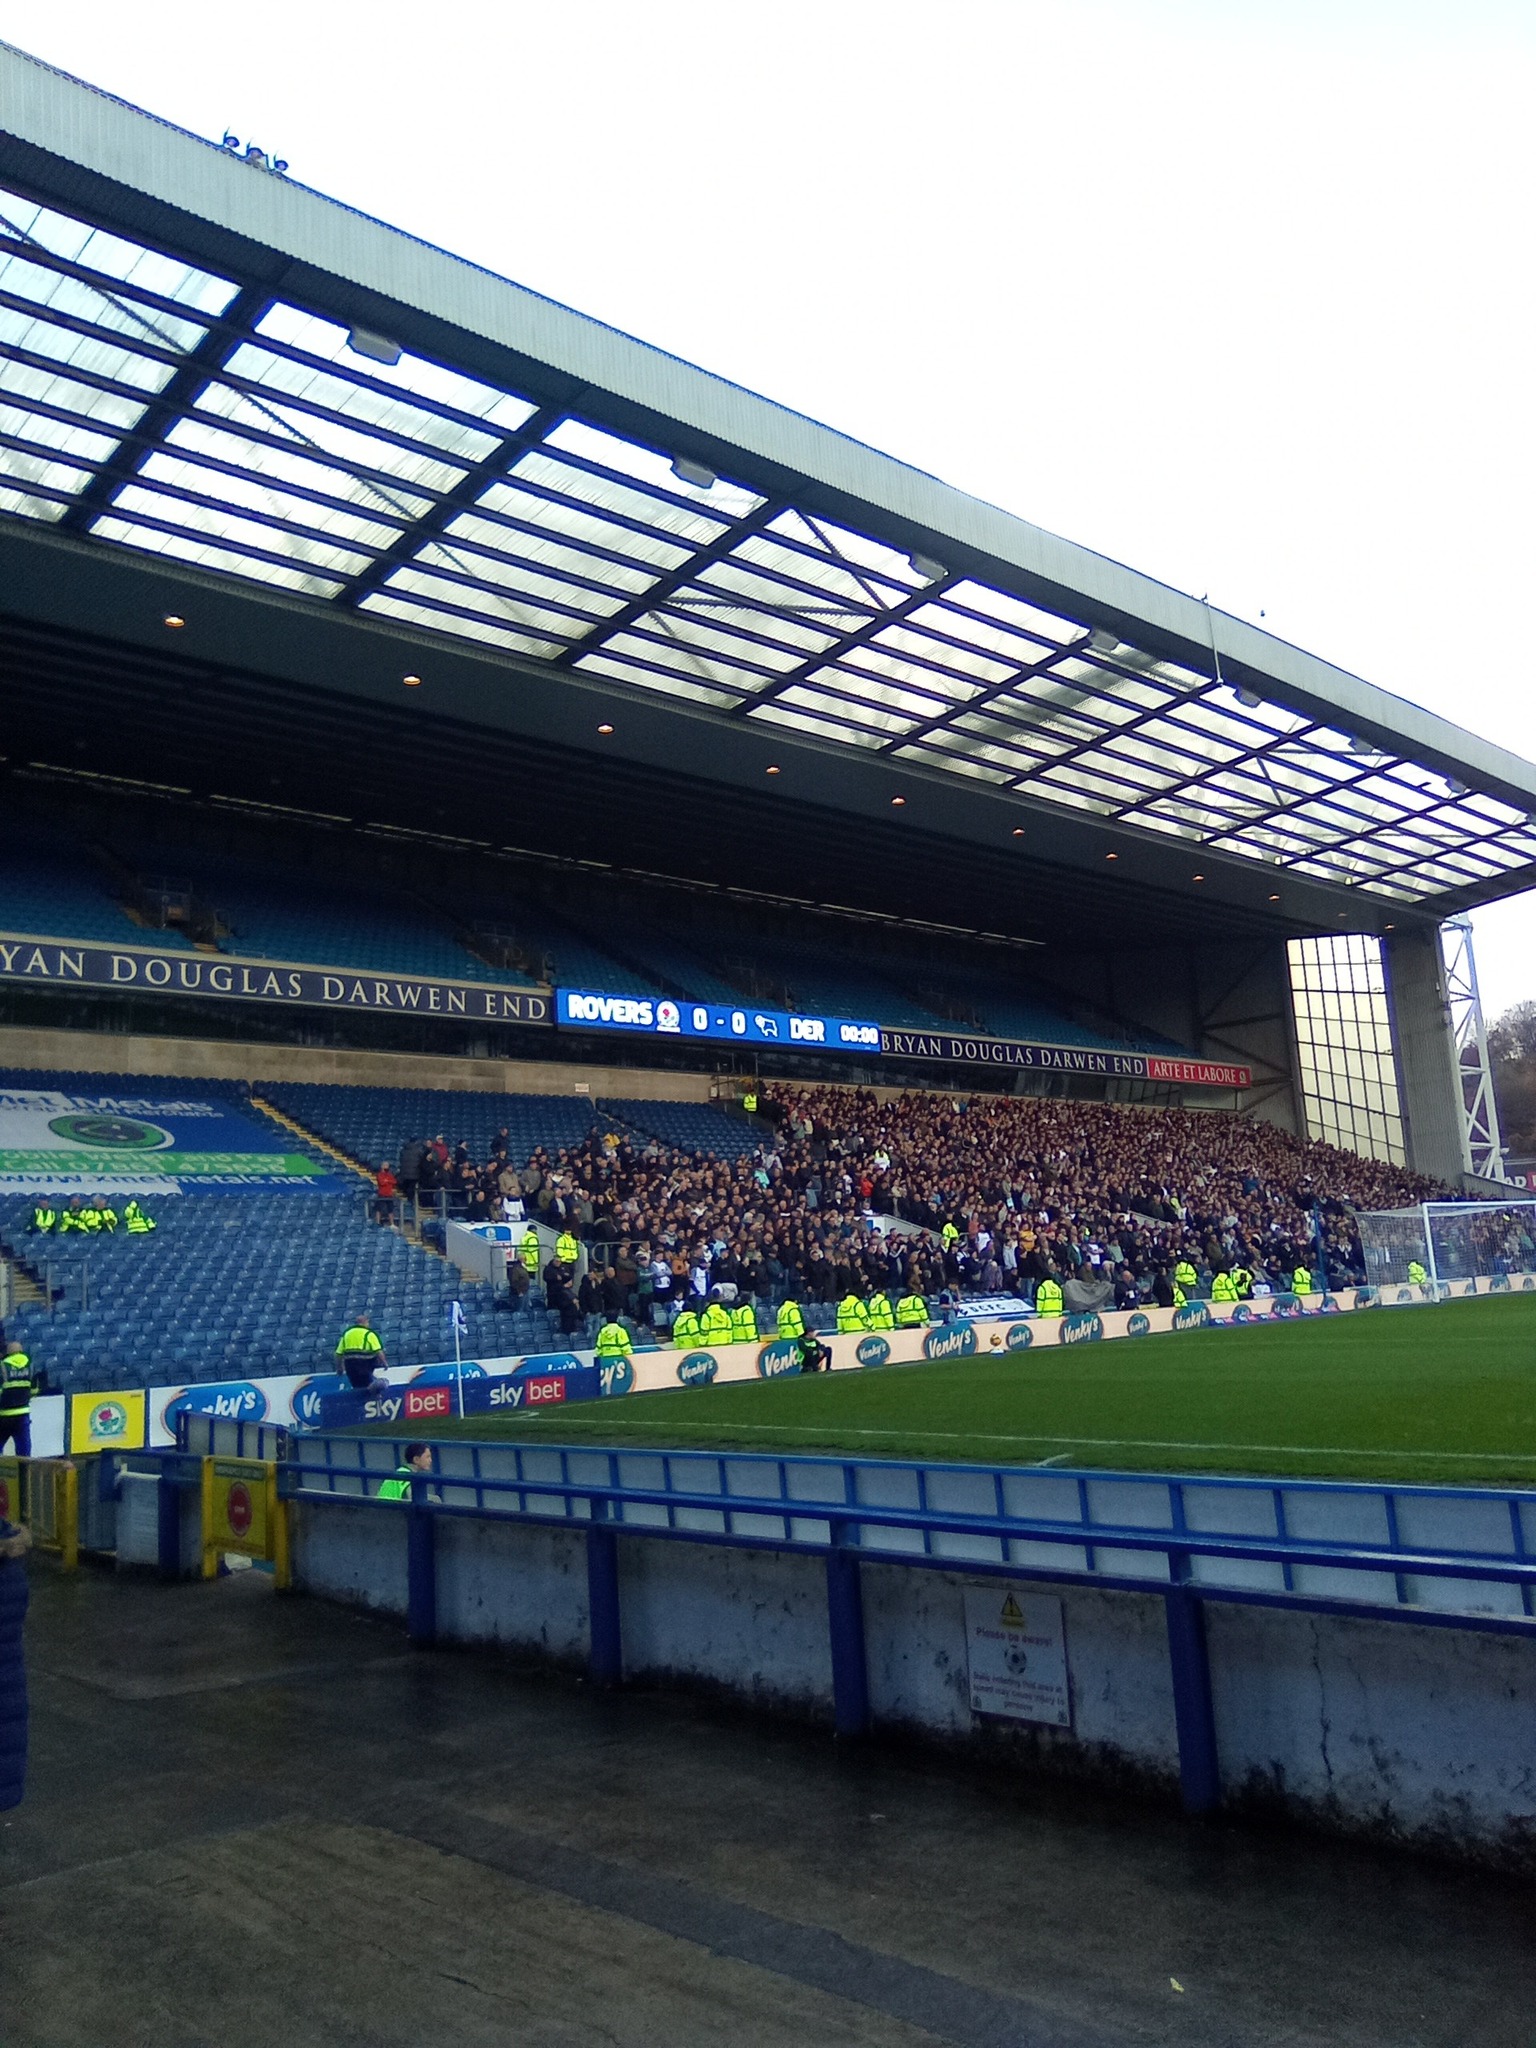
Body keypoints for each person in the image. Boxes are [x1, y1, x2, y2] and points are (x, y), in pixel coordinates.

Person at [0, 1340, 39, 1457]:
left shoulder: (3, 1366)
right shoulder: (31, 1366)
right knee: (24, 1450)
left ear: (8, 1352)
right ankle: (24, 1469)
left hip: (4, 1415)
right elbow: (34, 1390)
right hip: (22, 1414)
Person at [335, 1314, 388, 1393]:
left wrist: (339, 1368)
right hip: (365, 1365)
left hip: (350, 1365)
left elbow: (338, 1354)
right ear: (366, 1322)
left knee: (356, 1387)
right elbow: (378, 1351)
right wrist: (384, 1363)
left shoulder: (347, 1334)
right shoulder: (369, 1334)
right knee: (368, 1387)